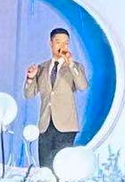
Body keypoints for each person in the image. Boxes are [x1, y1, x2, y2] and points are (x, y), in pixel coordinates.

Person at [23, 27, 89, 169]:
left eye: (66, 43)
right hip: (45, 125)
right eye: (58, 42)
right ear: (51, 43)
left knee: (62, 168)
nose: (62, 46)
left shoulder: (75, 67)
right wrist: (30, 78)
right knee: (45, 168)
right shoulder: (41, 68)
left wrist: (70, 63)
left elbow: (83, 86)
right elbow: (28, 94)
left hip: (66, 126)